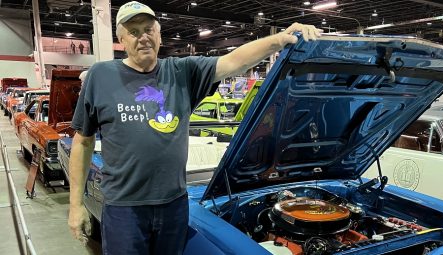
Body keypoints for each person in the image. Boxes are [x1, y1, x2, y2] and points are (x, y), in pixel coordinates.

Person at [66, 1, 321, 254]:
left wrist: (279, 39)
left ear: (159, 35)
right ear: (121, 40)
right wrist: (76, 205)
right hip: (124, 208)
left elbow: (235, 61)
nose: (143, 37)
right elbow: (83, 141)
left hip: (173, 206)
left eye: (148, 29)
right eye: (134, 32)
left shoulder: (181, 72)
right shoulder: (101, 76)